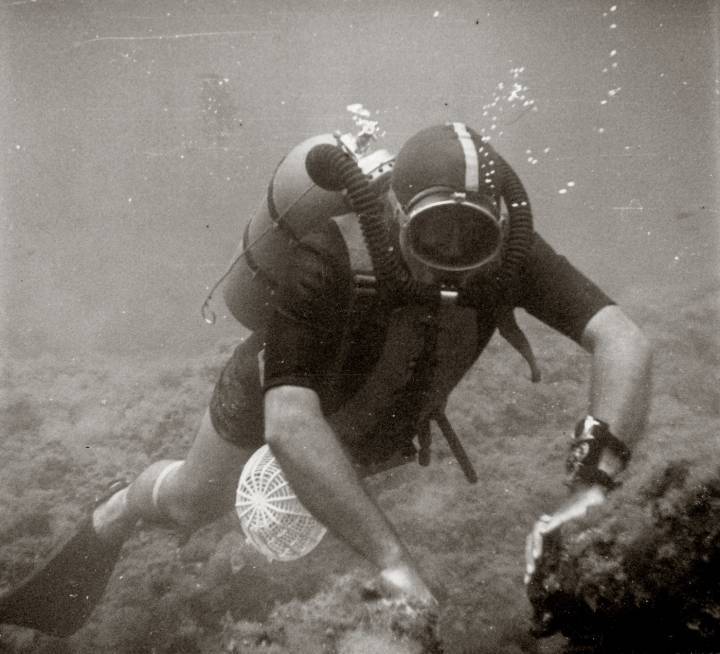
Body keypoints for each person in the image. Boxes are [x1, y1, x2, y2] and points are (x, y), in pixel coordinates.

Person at [0, 123, 652, 638]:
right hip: (271, 400)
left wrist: (593, 487)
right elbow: (287, 422)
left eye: (471, 238)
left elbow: (621, 339)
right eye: (433, 236)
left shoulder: (512, 258)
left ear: (501, 229)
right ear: (394, 213)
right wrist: (394, 563)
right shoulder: (330, 253)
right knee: (192, 504)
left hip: (370, 421)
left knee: (334, 479)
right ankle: (119, 508)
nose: (452, 267)